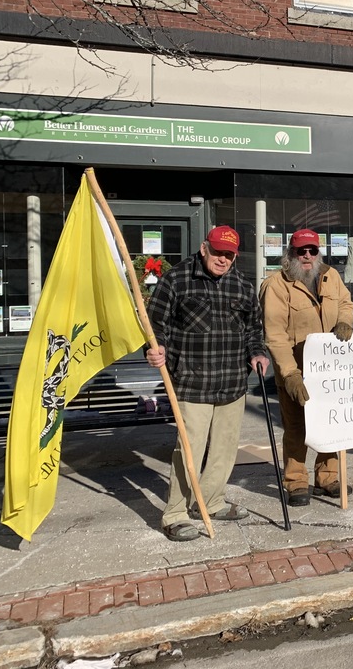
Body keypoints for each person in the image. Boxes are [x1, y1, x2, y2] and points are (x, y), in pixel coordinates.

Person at [146, 225, 269, 543]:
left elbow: (253, 328)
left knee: (225, 450)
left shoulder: (242, 284)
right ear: (204, 248)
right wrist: (155, 347)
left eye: (229, 254)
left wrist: (257, 352)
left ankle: (211, 503)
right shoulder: (177, 278)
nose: (223, 259)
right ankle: (175, 514)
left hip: (232, 383)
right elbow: (154, 321)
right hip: (191, 382)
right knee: (189, 451)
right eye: (217, 252)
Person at [260, 228, 353, 507]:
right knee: (296, 429)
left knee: (331, 425)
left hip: (329, 372)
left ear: (319, 252)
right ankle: (296, 481)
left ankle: (328, 477)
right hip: (296, 372)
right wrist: (290, 374)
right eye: (301, 250)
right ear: (290, 253)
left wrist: (345, 321)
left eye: (312, 250)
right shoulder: (276, 285)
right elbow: (274, 334)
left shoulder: (331, 276)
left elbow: (346, 303)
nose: (307, 255)